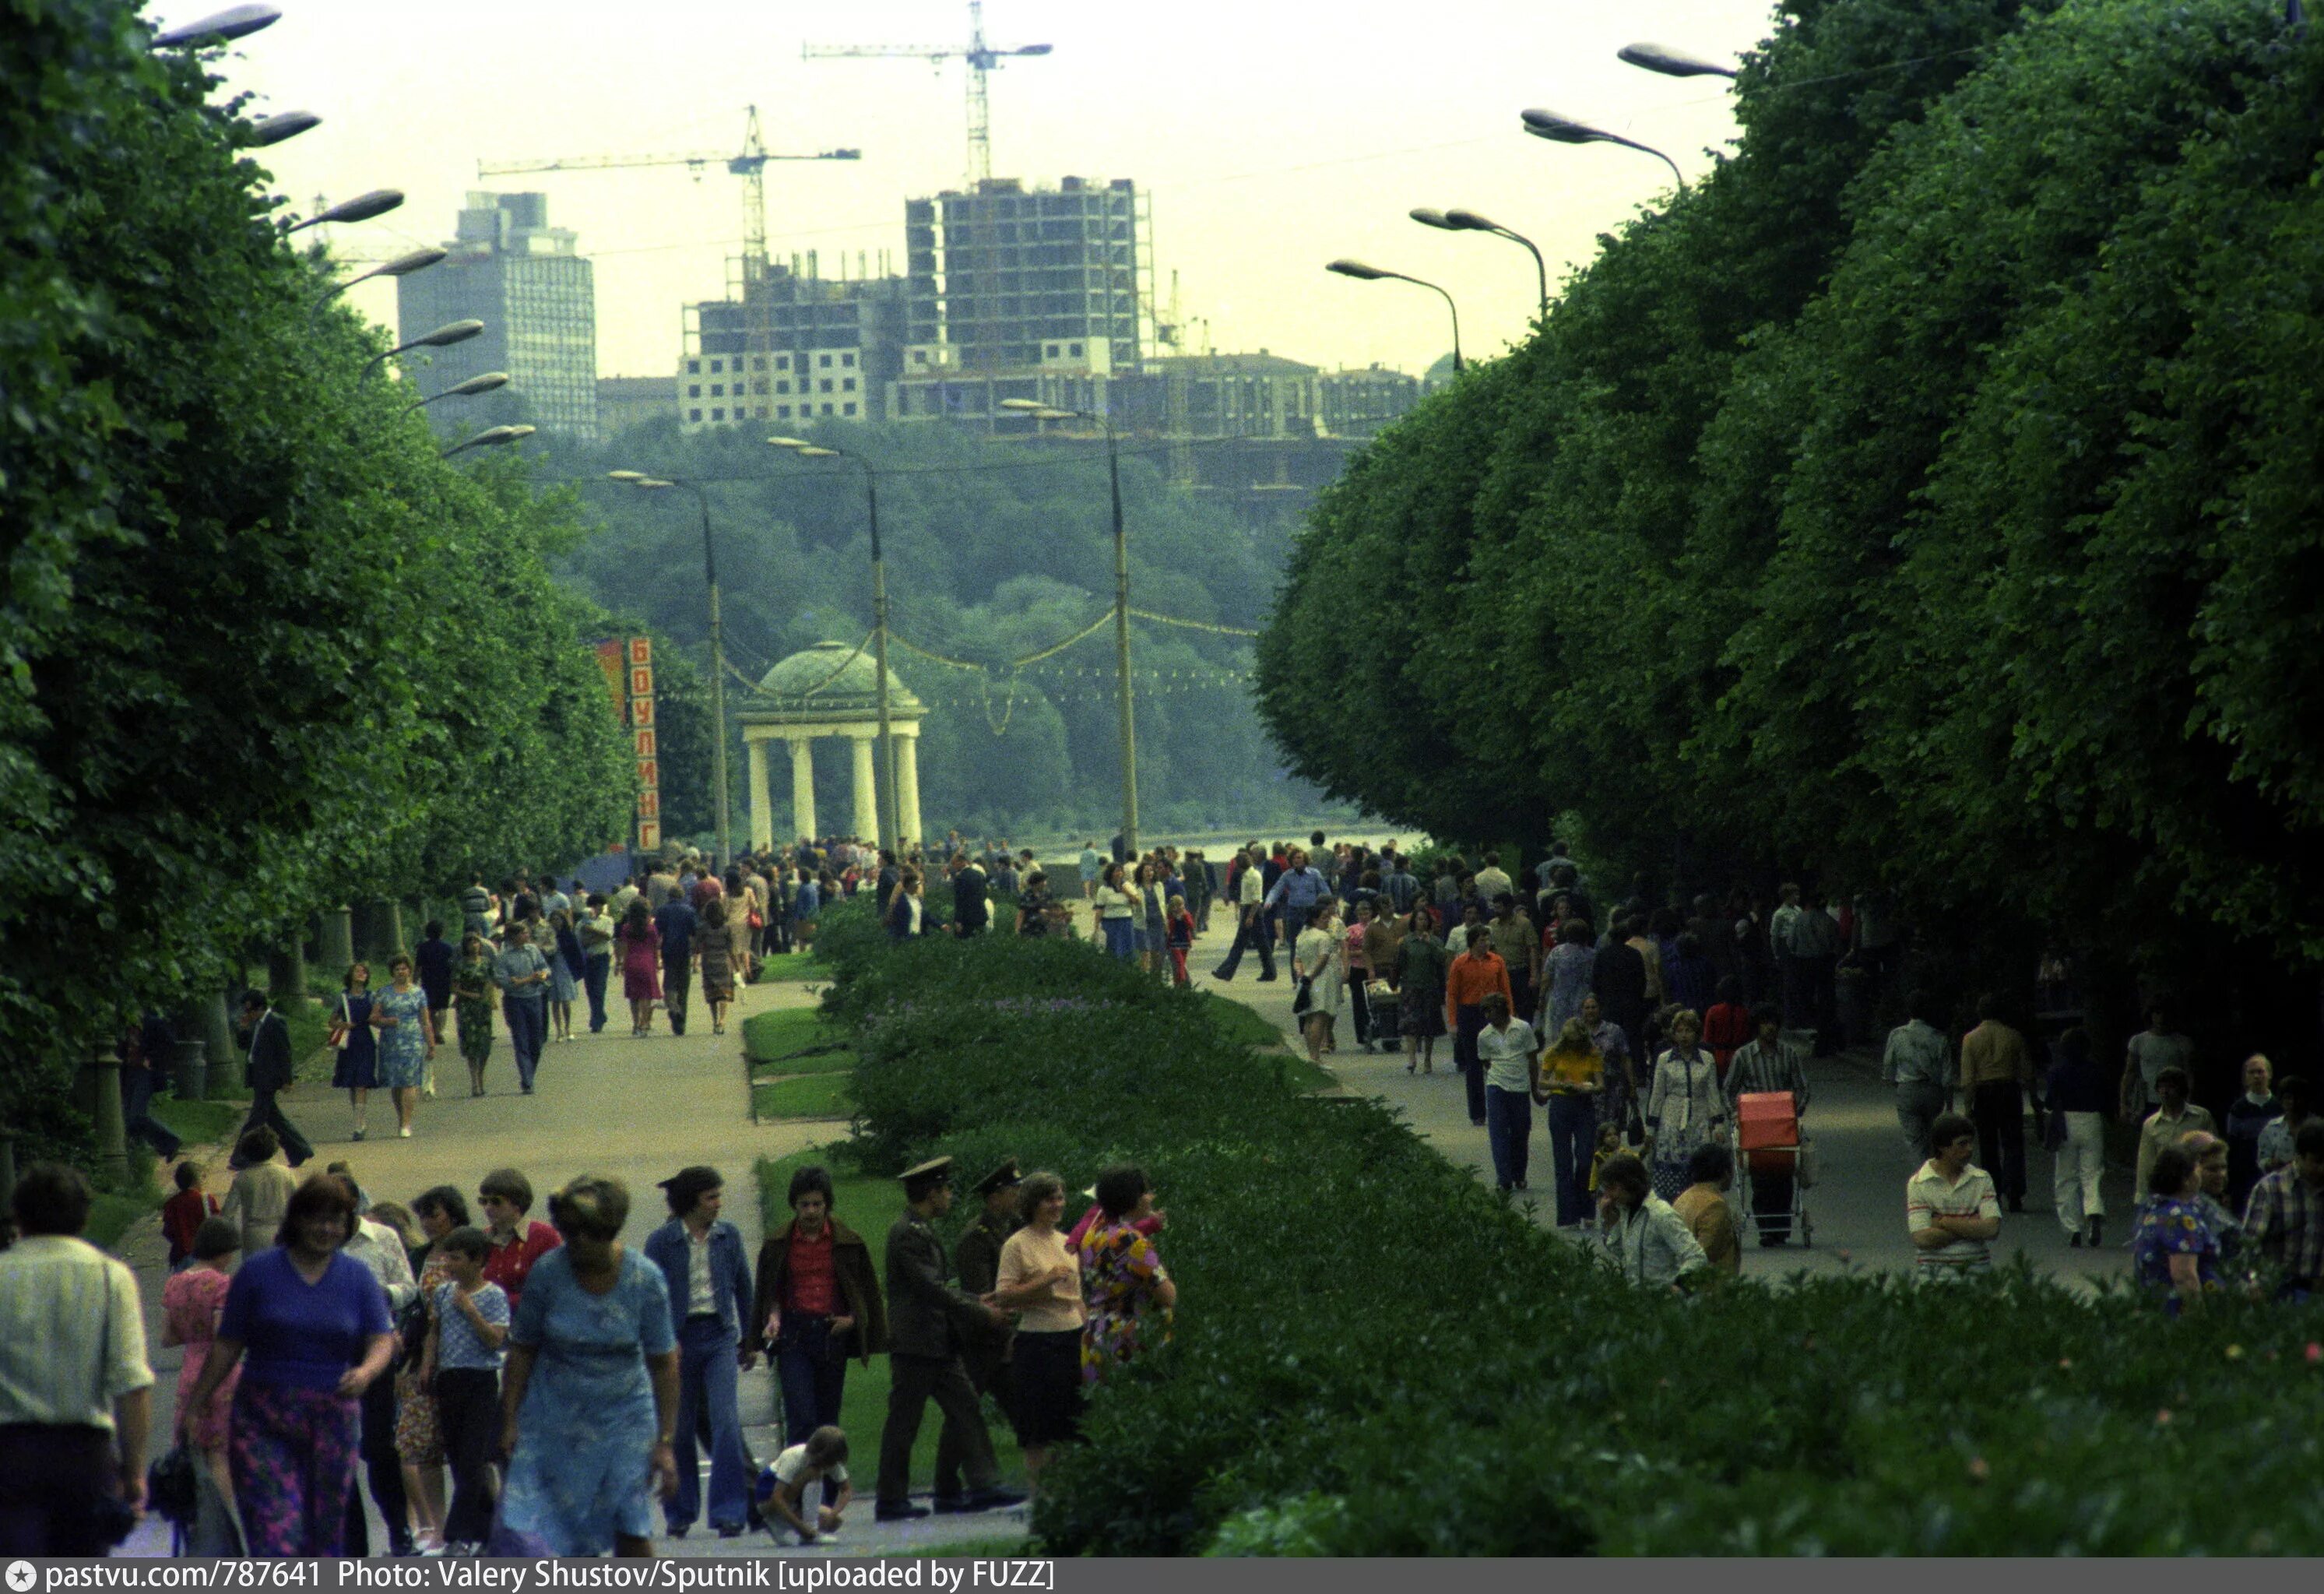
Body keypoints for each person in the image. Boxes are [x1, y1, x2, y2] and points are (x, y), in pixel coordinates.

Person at [177, 1174, 396, 1557]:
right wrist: (195, 1406)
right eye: (317, 1219)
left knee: (325, 1535)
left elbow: (383, 1337)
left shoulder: (356, 1277)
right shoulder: (257, 1273)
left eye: (337, 1221)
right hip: (264, 1417)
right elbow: (227, 1346)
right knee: (275, 1532)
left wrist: (366, 1372)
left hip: (332, 1418)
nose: (327, 1229)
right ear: (296, 1219)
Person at [498, 1176, 680, 1558]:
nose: (577, 1241)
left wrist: (664, 1443)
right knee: (555, 1532)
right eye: (569, 1231)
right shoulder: (548, 1274)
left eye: (588, 1232)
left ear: (609, 1229)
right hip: (554, 1419)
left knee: (629, 1525)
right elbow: (523, 1350)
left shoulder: (644, 1279)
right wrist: (511, 1418)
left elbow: (664, 1364)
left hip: (624, 1420)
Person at [0, 1163, 155, 1556]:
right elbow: (131, 1385)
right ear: (84, 1216)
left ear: (18, 1215)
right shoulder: (109, 1277)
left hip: (10, 1455)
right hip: (84, 1456)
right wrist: (134, 1470)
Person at [876, 1159, 1021, 1522]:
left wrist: (977, 1301)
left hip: (937, 1343)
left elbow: (938, 1288)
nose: (951, 1197)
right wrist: (981, 1310)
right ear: (932, 1193)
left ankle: (974, 1486)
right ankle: (891, 1498)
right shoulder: (907, 1232)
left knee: (966, 1407)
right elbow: (929, 1289)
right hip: (916, 1344)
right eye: (946, 1190)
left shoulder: (921, 1228)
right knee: (905, 1421)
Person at [753, 1164, 884, 1524]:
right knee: (801, 1420)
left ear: (827, 1205)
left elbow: (865, 1294)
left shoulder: (847, 1241)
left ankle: (822, 1503)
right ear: (794, 1206)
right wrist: (773, 1317)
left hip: (830, 1336)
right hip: (795, 1335)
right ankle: (793, 1500)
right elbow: (771, 1291)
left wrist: (853, 1321)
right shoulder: (780, 1242)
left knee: (828, 1424)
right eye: (804, 1205)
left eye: (817, 1204)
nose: (810, 1212)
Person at [637, 1167, 754, 1539]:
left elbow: (744, 1288)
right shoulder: (662, 1242)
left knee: (725, 1423)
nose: (719, 1204)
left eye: (719, 1196)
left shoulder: (728, 1236)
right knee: (680, 1430)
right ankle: (680, 1511)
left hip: (719, 1336)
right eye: (711, 1198)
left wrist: (750, 1340)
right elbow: (650, 1299)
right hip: (678, 1340)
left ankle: (729, 1511)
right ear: (691, 1202)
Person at [336, 1174, 419, 1557]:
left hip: (376, 1347)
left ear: (355, 1205)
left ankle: (399, 1528)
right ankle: (351, 1544)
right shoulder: (311, 1243)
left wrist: (381, 1293)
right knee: (338, 1449)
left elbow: (408, 1286)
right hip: (330, 1352)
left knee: (379, 1446)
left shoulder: (382, 1237)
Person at [990, 1172, 1082, 1501]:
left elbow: (1079, 1296)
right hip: (1038, 1342)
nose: (1057, 1205)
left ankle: (1070, 1494)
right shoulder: (1017, 1244)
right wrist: (1044, 1281)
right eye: (1049, 1199)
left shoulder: (1068, 1241)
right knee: (1039, 1428)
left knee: (1072, 1424)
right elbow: (1004, 1296)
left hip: (1072, 1336)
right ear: (1033, 1204)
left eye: (1060, 1198)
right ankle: (1041, 1498)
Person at [417, 1225, 508, 1551]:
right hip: (449, 1379)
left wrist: (470, 1310)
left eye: (455, 1258)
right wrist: (428, 1363)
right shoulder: (442, 1293)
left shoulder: (493, 1295)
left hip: (480, 1380)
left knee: (474, 1459)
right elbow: (435, 1331)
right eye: (447, 1257)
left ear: (477, 1260)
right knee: (458, 1460)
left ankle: (457, 1535)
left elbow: (496, 1339)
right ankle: (488, 1533)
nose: (449, 1265)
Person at [939, 1161, 1022, 1509]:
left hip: (1003, 1341)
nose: (1018, 1196)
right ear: (996, 1197)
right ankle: (947, 1486)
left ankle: (1031, 1474)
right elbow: (981, 1293)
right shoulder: (977, 1238)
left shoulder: (1014, 1229)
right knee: (965, 1412)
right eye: (1012, 1191)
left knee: (1020, 1407)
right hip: (981, 1342)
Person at [396, 1186, 470, 1546]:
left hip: (463, 1358)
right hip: (421, 1357)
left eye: (434, 1214)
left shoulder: (472, 1249)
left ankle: (471, 1527)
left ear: (453, 1214)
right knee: (422, 1448)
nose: (426, 1223)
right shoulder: (419, 1255)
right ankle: (438, 1531)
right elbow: (412, 1306)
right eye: (422, 1216)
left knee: (468, 1451)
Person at [162, 1216, 243, 1540]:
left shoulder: (175, 1283)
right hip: (221, 1371)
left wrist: (193, 1333)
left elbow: (167, 1337)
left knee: (196, 1449)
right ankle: (223, 1529)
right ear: (222, 1251)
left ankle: (197, 1528)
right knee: (220, 1453)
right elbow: (225, 1333)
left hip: (190, 1369)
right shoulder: (223, 1284)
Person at [1080, 1164, 1176, 1383]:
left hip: (1097, 1338)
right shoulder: (1132, 1241)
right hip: (1129, 1343)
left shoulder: (1092, 1236)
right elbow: (1168, 1295)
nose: (1151, 1198)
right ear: (1133, 1199)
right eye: (1146, 1193)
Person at [1725, 1006, 1810, 1245]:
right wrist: (1735, 1114)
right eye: (1764, 1022)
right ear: (1757, 1027)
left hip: (1783, 1125)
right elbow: (1729, 1089)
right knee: (1760, 1178)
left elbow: (1802, 1086)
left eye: (1773, 1022)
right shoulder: (1743, 1056)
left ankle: (1781, 1229)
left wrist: (1796, 1112)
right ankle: (1765, 1230)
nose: (1770, 1027)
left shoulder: (1789, 1054)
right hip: (1755, 1127)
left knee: (1784, 1176)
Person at [1959, 994, 2034, 1212]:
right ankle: (2015, 1193)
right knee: (2013, 1144)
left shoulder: (1971, 1039)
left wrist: (1968, 1106)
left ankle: (1993, 1194)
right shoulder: (2013, 1036)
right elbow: (2027, 1071)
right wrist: (2035, 1099)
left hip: (1984, 1093)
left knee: (1988, 1145)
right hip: (2009, 1090)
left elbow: (1968, 1077)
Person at [1594, 1153, 1711, 1290]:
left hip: (1662, 1303)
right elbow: (1624, 1255)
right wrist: (1610, 1223)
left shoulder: (1660, 1213)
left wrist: (1678, 1285)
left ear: (1630, 1183)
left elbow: (1696, 1257)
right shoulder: (1626, 1212)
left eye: (1613, 1188)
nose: (1609, 1196)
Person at [1644, 1009, 1727, 1202]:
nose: (1684, 1036)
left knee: (1700, 1166)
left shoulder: (1707, 1058)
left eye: (1688, 1031)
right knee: (1669, 1166)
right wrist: (1650, 1129)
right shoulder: (1665, 1059)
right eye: (1679, 1031)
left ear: (1696, 1033)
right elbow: (1657, 1095)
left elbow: (1713, 1093)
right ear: (1673, 1034)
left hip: (1699, 1116)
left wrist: (1718, 1125)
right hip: (1671, 1115)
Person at [1907, 1114, 2002, 1281]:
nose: (1970, 1149)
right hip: (1935, 1277)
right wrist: (1971, 1227)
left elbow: (1992, 1229)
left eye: (1971, 1142)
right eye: (1962, 1144)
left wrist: (1944, 1222)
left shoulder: (1981, 1179)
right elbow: (1922, 1237)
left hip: (1976, 1273)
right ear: (1942, 1147)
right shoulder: (1919, 1183)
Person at [2241, 1119, 2324, 1299]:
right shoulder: (2271, 1189)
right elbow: (2250, 1243)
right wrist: (2253, 1281)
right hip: (2279, 1291)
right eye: (2317, 1162)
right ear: (2299, 1156)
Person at [2043, 1026, 2111, 1247]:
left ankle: (2072, 1227)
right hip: (2092, 1120)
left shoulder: (2057, 1072)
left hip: (2067, 1123)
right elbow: (2105, 1099)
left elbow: (2050, 1101)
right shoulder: (2096, 1070)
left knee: (2066, 1177)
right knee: (2092, 1173)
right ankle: (2093, 1211)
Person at [2131, 1145, 2218, 1314]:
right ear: (2186, 1179)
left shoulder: (2152, 1209)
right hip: (2176, 1313)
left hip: (2152, 1307)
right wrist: (2199, 1318)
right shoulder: (2179, 1218)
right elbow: (2183, 1275)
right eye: (2197, 1169)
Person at [1534, 1015, 1603, 1224]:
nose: (1572, 1044)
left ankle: (1587, 1210)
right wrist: (1560, 1084)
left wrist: (1585, 1086)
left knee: (1585, 1158)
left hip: (1584, 1105)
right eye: (1569, 1040)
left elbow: (1600, 1085)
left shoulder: (1592, 1053)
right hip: (1561, 1105)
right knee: (1563, 1162)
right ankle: (1568, 1215)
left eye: (1576, 1041)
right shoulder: (1554, 1052)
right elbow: (1542, 1082)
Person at [1471, 992, 1541, 1195]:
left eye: (1490, 1010)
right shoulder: (1485, 1035)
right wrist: (1497, 1074)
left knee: (1520, 1133)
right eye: (1484, 1012)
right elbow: (1486, 1061)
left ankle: (1519, 1174)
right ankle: (1504, 1178)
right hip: (1496, 1086)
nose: (1487, 1016)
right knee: (1498, 1133)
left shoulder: (1523, 1028)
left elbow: (1532, 1058)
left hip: (1520, 1087)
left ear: (1501, 1008)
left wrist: (1535, 1087)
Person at [234, 987, 313, 1168]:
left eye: (250, 1010)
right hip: (257, 1076)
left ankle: (240, 1157)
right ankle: (299, 1150)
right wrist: (243, 1029)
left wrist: (287, 1079)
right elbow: (243, 1045)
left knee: (256, 1119)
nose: (248, 1014)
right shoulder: (255, 1023)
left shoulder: (275, 1022)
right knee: (275, 1119)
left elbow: (284, 1052)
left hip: (269, 1078)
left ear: (260, 1008)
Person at [1446, 926, 1514, 1128]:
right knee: (1474, 1065)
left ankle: (1502, 1109)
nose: (1485, 944)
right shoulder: (1460, 963)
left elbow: (1505, 990)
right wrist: (1453, 1023)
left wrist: (1511, 1016)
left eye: (1487, 940)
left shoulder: (1497, 961)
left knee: (1500, 1062)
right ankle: (1477, 1113)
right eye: (1481, 941)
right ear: (1472, 942)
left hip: (1494, 1012)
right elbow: (1452, 994)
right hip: (1469, 1013)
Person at [478, 1167, 564, 1311]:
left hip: (530, 1323)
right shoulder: (481, 1239)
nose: (488, 1207)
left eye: (496, 1202)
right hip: (487, 1326)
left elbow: (554, 1288)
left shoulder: (544, 1236)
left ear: (517, 1204)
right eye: (483, 1201)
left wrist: (497, 1303)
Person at [1881, 994, 1954, 1163]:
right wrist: (1949, 1107)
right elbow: (1947, 1076)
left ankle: (1921, 1177)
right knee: (1933, 1138)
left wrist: (1895, 1083)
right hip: (1933, 1091)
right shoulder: (1939, 1038)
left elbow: (1888, 1066)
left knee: (1915, 1141)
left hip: (1908, 1089)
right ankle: (1935, 1171)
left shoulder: (1897, 1035)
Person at [757, 1425, 853, 1546]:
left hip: (793, 1499)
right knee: (814, 1472)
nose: (829, 1466)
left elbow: (846, 1490)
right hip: (768, 1495)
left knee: (835, 1522)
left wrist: (832, 1514)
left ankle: (787, 1524)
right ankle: (783, 1522)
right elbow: (777, 1497)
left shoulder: (831, 1461)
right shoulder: (794, 1457)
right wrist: (801, 1528)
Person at [371, 952, 433, 1139]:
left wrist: (431, 1044)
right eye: (397, 969)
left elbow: (425, 1020)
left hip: (413, 1041)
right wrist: (386, 1021)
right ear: (393, 972)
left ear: (409, 970)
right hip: (391, 1042)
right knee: (396, 1084)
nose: (401, 972)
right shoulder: (383, 993)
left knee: (410, 1082)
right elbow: (373, 1019)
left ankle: (406, 1122)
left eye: (404, 968)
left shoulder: (418, 993)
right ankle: (401, 1118)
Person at [2133, 1066, 2215, 1203]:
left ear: (2182, 1090)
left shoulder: (2201, 1118)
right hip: (2165, 1190)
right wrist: (2142, 1196)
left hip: (2196, 1188)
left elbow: (2213, 1153)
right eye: (2161, 1087)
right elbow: (2145, 1162)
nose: (2165, 1092)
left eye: (2170, 1087)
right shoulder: (2151, 1124)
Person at [1590, 917, 1651, 1088]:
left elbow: (1595, 981)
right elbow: (1642, 980)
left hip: (1609, 1003)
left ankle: (1610, 1071)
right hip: (1631, 1002)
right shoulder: (1634, 954)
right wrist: (1638, 998)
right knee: (1634, 1038)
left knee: (1609, 1038)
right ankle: (1638, 1074)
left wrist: (1600, 1000)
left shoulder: (1603, 954)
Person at [221, 1128, 299, 1260]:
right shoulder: (286, 1173)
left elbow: (228, 1213)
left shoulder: (243, 1177)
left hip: (254, 1235)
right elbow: (298, 1204)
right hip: (282, 1231)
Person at [493, 922, 551, 1093]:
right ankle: (526, 1080)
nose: (527, 935)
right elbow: (504, 983)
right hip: (515, 1001)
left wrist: (543, 974)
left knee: (537, 1040)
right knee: (521, 1040)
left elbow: (544, 967)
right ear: (514, 936)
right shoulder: (504, 957)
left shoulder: (533, 950)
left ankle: (530, 1073)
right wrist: (528, 979)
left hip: (535, 998)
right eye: (524, 933)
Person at [1671, 1144, 1741, 1279]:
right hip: (1708, 1287)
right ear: (1726, 1172)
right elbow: (1704, 1254)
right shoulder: (1715, 1206)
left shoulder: (1682, 1199)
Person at [120, 1011, 184, 1159]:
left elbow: (170, 1043)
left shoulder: (152, 1023)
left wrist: (152, 1059)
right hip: (129, 1072)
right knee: (128, 1117)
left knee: (136, 1115)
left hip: (145, 1074)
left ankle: (170, 1141)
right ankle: (138, 1152)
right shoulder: (124, 1027)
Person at [1292, 898, 1347, 1068]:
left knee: (1308, 1017)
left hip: (1306, 979)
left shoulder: (1302, 936)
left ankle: (1311, 1055)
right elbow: (1323, 958)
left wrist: (1302, 975)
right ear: (1315, 919)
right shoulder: (1323, 937)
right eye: (1324, 917)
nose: (1328, 920)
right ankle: (1316, 1057)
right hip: (1320, 979)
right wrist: (1312, 976)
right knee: (1319, 1017)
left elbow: (1297, 960)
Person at [329, 962, 380, 1141]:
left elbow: (377, 1017)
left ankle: (359, 1125)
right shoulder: (342, 997)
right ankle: (359, 1118)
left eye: (364, 972)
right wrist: (343, 1024)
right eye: (358, 971)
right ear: (350, 975)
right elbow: (332, 1021)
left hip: (366, 1040)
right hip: (350, 1042)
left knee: (362, 1082)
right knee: (352, 1082)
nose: (361, 974)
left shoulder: (372, 996)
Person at [1211, 845, 1279, 983]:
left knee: (1248, 944)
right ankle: (1267, 972)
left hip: (1252, 911)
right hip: (1247, 909)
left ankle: (1226, 971)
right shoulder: (1247, 875)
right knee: (1258, 945)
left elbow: (1256, 899)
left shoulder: (1253, 876)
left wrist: (1249, 917)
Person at [2222, 1054, 2279, 1214]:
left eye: (2260, 1072)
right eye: (2251, 1072)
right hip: (2245, 1181)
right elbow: (2232, 1149)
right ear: (2245, 1078)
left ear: (2269, 1074)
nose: (2256, 1076)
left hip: (2276, 1177)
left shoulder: (2280, 1107)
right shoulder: (2237, 1110)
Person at [2121, 1002, 2195, 1122]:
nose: (2161, 1018)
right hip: (2147, 1102)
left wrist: (2189, 1101)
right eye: (2157, 1013)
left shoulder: (2183, 1043)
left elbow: (2189, 1074)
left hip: (2175, 1101)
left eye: (2166, 1013)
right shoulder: (2139, 1041)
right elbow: (2130, 1073)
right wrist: (2123, 1104)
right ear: (2151, 1015)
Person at [448, 931, 497, 1096]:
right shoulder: (461, 965)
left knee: (484, 1045)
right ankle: (474, 1081)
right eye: (470, 943)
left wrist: (491, 1000)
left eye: (476, 942)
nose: (474, 946)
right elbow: (454, 987)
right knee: (471, 1045)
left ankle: (481, 1077)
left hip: (483, 1007)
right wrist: (469, 995)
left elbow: (491, 981)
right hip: (467, 1008)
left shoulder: (486, 962)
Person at [653, 889, 700, 1036]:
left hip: (668, 950)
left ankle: (673, 1007)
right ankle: (681, 1023)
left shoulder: (662, 911)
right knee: (684, 985)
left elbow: (657, 932)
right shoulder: (689, 911)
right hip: (684, 950)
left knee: (670, 981)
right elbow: (694, 931)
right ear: (682, 896)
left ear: (669, 896)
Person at [163, 1160, 220, 1272]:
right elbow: (216, 1225)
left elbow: (168, 1232)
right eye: (203, 1177)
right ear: (196, 1179)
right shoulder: (206, 1200)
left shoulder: (171, 1203)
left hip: (180, 1255)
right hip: (203, 1254)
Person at [2258, 1075, 2314, 1176]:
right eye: (2288, 1098)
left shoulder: (2318, 1127)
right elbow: (2262, 1159)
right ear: (2281, 1100)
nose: (2293, 1102)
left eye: (2298, 1098)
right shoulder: (2271, 1128)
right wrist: (2271, 1164)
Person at [698, 899, 737, 1037]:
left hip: (708, 963)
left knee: (712, 995)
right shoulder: (726, 928)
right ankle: (722, 1020)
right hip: (723, 963)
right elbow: (731, 950)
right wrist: (737, 967)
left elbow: (698, 946)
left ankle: (715, 1021)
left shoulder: (703, 928)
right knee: (723, 994)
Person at [578, 896, 616, 1035]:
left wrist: (591, 931)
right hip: (588, 958)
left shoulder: (607, 920)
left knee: (599, 988)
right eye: (597, 906)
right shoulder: (581, 923)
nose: (599, 908)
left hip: (602, 957)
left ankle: (596, 1021)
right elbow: (583, 942)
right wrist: (597, 937)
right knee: (590, 990)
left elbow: (608, 936)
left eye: (601, 906)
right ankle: (599, 1015)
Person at [415, 920, 456, 1049]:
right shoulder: (448, 948)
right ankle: (439, 1031)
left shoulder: (423, 947)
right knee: (442, 1007)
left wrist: (414, 981)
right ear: (442, 932)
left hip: (428, 980)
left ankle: (432, 1030)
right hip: (444, 980)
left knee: (430, 1007)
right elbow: (452, 966)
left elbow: (418, 967)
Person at [1092, 862, 1141, 960]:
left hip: (1126, 921)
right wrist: (1096, 927)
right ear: (1110, 873)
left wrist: (1127, 892)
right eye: (1116, 871)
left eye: (1121, 871)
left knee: (1128, 949)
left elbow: (1137, 901)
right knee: (1113, 949)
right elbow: (1100, 910)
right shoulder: (1103, 889)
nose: (1119, 874)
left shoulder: (1127, 885)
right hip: (1110, 923)